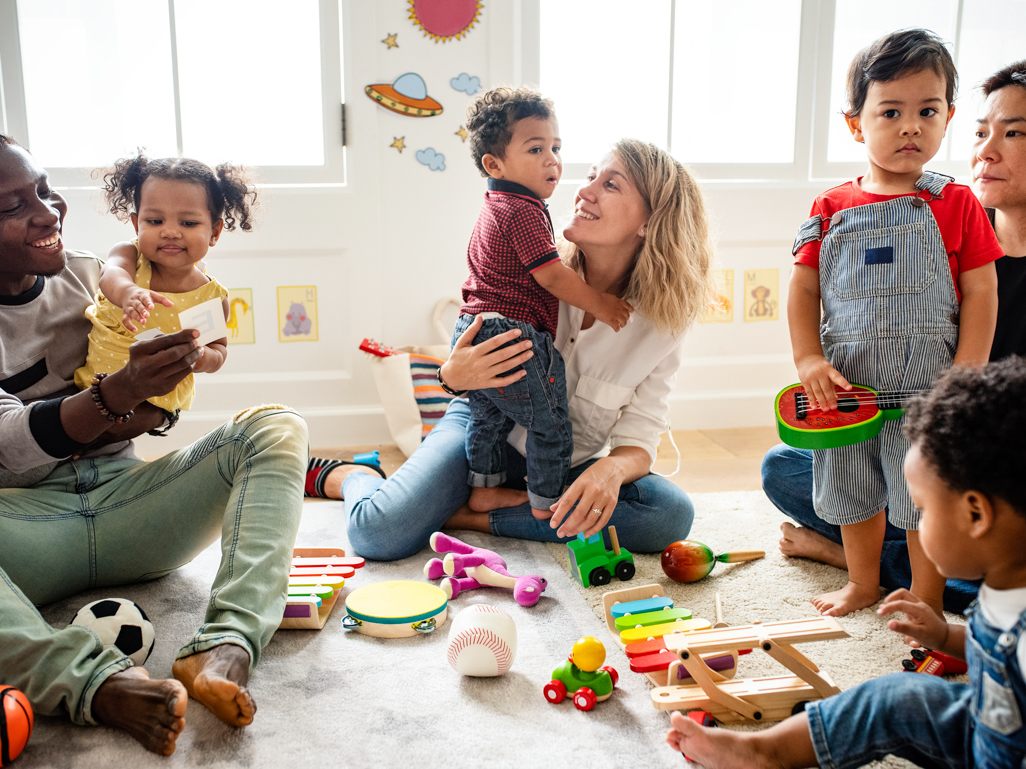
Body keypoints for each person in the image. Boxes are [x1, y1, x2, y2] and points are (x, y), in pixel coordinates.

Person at [0, 135, 307, 755]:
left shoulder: (95, 277)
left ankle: (225, 646)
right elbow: (9, 445)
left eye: (44, 190)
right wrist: (119, 396)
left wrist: (168, 384)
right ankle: (95, 683)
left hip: (129, 507)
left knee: (277, 425)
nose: (47, 212)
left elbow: (191, 353)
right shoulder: (114, 274)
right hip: (23, 527)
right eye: (13, 204)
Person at [307, 138, 713, 560]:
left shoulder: (663, 323)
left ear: (649, 222)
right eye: (591, 176)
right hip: (482, 434)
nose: (584, 191)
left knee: (668, 514)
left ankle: (468, 517)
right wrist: (451, 376)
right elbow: (459, 361)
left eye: (611, 185)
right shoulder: (534, 266)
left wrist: (611, 469)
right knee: (377, 534)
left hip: (565, 465)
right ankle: (352, 474)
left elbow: (640, 437)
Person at [667, 358, 1026, 769]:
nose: (912, 520)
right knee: (894, 697)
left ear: (975, 515)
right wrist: (945, 636)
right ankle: (763, 752)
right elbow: (993, 651)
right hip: (983, 726)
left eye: (922, 511)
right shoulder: (1003, 585)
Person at [765, 58, 1026, 616]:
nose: (911, 126)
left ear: (947, 118)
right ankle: (863, 582)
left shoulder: (955, 203)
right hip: (847, 389)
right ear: (856, 124)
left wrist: (967, 373)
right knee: (848, 490)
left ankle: (927, 597)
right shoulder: (829, 208)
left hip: (927, 392)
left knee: (923, 501)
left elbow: (982, 292)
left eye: (927, 112)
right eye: (891, 112)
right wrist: (808, 355)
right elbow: (803, 289)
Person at [454, 86, 631, 520]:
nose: (552, 159)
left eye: (555, 147)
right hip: (507, 331)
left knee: (488, 419)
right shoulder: (523, 208)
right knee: (550, 422)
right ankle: (547, 503)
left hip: (474, 326)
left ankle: (485, 490)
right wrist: (603, 305)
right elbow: (550, 275)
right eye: (535, 149)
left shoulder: (496, 204)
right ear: (494, 164)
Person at [73, 153, 248, 414]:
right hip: (96, 386)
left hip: (157, 402)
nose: (170, 232)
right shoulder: (130, 257)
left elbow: (218, 350)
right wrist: (129, 291)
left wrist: (199, 356)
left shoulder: (209, 296)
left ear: (214, 232)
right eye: (155, 221)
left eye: (188, 223)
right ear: (136, 224)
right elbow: (110, 275)